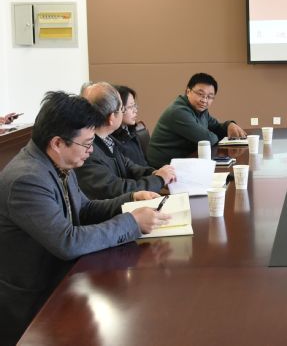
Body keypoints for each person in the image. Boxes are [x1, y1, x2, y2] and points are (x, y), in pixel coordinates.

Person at [0, 91, 170, 345]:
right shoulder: (27, 180)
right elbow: (68, 242)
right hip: (34, 303)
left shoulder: (57, 161)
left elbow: (85, 209)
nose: (91, 151)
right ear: (58, 143)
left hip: (63, 281)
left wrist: (131, 199)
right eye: (87, 144)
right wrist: (132, 223)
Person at [76, 82, 176, 199]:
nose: (123, 112)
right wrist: (159, 179)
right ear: (111, 117)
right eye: (121, 109)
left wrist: (155, 174)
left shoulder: (107, 139)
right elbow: (118, 189)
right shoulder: (87, 151)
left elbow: (129, 167)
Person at [147, 73, 247, 168]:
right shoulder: (178, 112)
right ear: (188, 92)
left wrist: (229, 125)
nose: (204, 100)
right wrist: (214, 134)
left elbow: (216, 127)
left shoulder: (200, 110)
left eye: (209, 97)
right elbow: (207, 140)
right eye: (200, 94)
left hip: (185, 160)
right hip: (163, 167)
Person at [112, 85, 149, 166]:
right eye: (131, 107)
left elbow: (143, 164)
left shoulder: (131, 131)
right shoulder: (113, 140)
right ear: (119, 108)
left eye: (134, 106)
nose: (135, 110)